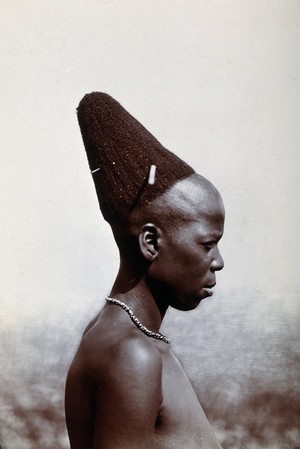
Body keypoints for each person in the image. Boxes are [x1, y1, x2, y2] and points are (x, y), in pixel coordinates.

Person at [65, 93, 225, 449]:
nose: (218, 261)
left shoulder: (130, 340)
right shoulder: (130, 354)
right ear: (151, 242)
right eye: (207, 243)